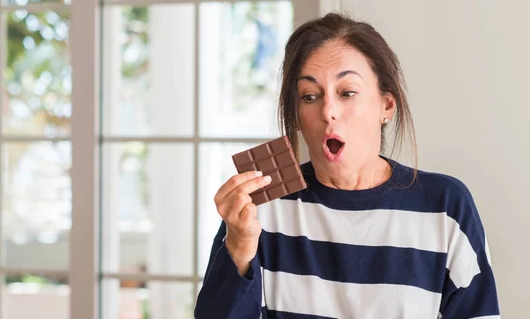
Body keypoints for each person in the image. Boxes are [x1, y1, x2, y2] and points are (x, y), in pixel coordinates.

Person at [194, 12, 500, 319]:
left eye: (348, 92)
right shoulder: (263, 209)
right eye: (310, 96)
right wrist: (240, 245)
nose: (328, 111)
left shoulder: (446, 208)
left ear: (386, 105)